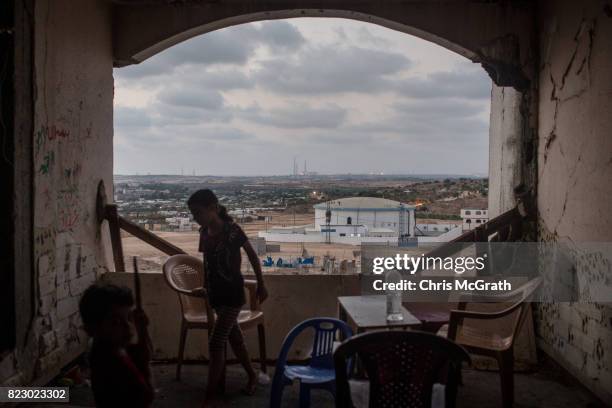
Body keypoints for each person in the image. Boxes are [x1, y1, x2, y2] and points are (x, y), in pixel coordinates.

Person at [187, 189, 268, 405]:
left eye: (198, 212)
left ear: (213, 208)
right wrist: (205, 287)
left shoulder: (233, 231)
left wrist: (261, 283)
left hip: (232, 295)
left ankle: (209, 395)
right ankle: (252, 375)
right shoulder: (204, 232)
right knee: (235, 339)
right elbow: (207, 264)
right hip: (215, 295)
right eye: (193, 214)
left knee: (216, 343)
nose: (196, 217)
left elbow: (252, 256)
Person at [79, 283, 154, 408]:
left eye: (129, 318)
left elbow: (144, 355)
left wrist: (142, 331)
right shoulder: (109, 362)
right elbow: (147, 396)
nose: (128, 326)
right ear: (92, 329)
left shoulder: (116, 346)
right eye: (116, 322)